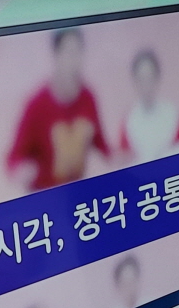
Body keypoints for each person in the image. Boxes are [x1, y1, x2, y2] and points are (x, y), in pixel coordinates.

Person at [7, 27, 109, 189]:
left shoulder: (88, 97)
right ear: (56, 55)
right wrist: (22, 170)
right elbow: (14, 157)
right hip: (45, 194)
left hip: (77, 192)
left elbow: (101, 143)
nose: (74, 60)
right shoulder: (37, 105)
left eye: (78, 51)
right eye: (69, 52)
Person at [119, 48, 179, 163]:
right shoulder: (129, 120)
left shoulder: (172, 114)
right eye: (141, 79)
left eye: (150, 77)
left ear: (157, 78)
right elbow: (125, 163)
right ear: (135, 81)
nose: (146, 85)